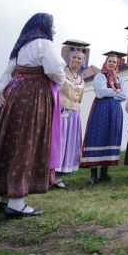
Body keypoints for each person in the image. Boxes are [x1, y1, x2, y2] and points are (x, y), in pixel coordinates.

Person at [0, 13, 65, 218]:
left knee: (12, 142)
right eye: (53, 26)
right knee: (27, 141)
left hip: (15, 95)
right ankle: (17, 203)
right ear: (43, 26)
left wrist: (2, 90)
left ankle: (5, 198)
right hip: (34, 96)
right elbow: (55, 71)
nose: (54, 30)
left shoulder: (20, 47)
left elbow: (7, 73)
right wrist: (59, 81)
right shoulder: (44, 44)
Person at [80, 53, 127, 184]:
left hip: (115, 111)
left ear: (117, 64)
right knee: (98, 137)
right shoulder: (99, 76)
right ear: (106, 62)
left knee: (110, 136)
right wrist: (116, 92)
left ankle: (104, 173)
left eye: (114, 62)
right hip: (101, 109)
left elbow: (124, 95)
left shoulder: (119, 79)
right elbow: (100, 93)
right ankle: (93, 174)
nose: (112, 63)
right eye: (110, 61)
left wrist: (113, 92)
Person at [51, 50, 86, 189]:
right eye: (74, 57)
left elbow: (80, 98)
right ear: (69, 59)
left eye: (79, 58)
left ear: (82, 62)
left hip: (74, 114)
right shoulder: (61, 74)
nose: (76, 60)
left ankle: (59, 176)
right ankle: (50, 174)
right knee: (59, 142)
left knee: (70, 143)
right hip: (61, 111)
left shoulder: (82, 80)